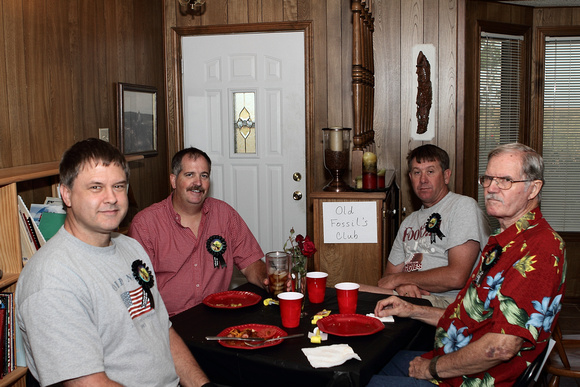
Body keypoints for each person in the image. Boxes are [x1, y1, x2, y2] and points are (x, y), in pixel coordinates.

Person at [15, 138, 212, 387]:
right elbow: (89, 383)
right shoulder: (51, 279)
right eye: (96, 187)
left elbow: (163, 330)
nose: (112, 198)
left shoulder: (131, 248)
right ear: (66, 193)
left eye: (118, 186)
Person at [368, 143, 566, 386]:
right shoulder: (501, 242)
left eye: (505, 180)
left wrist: (432, 368)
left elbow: (501, 348)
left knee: (365, 380)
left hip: (474, 379)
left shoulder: (540, 248)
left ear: (533, 188)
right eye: (488, 179)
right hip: (455, 359)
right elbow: (471, 319)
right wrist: (412, 309)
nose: (492, 189)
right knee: (364, 367)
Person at [129, 147, 268, 316]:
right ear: (173, 180)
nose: (198, 183)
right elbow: (139, 293)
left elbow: (251, 263)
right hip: (170, 324)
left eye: (204, 175)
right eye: (189, 175)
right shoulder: (145, 225)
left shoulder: (224, 214)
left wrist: (268, 280)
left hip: (217, 315)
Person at [362, 144, 489, 308]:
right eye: (417, 172)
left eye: (430, 171)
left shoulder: (462, 206)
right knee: (349, 291)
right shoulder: (408, 222)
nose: (423, 179)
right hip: (409, 298)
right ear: (410, 178)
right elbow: (388, 279)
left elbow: (456, 277)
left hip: (448, 305)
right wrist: (402, 285)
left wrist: (401, 279)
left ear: (446, 176)